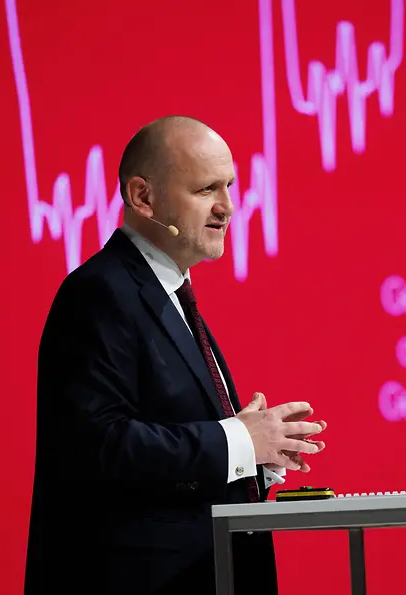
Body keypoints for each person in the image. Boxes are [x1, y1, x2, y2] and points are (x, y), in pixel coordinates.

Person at [23, 115, 327, 595]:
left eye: (229, 186)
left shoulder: (168, 294)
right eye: (206, 189)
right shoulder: (100, 293)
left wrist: (256, 456)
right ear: (143, 197)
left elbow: (172, 459)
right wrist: (237, 440)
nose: (228, 207)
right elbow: (99, 447)